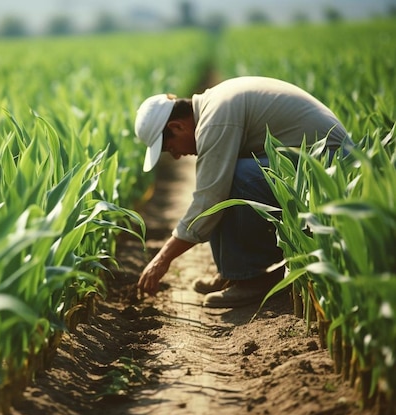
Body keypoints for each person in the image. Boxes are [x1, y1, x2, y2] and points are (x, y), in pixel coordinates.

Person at [134, 76, 350, 308]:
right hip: (308, 161)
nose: (176, 155)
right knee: (222, 175)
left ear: (176, 127)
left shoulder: (215, 119)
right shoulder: (214, 105)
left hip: (330, 165)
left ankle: (251, 278)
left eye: (170, 147)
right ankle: (233, 272)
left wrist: (163, 259)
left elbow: (210, 199)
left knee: (235, 177)